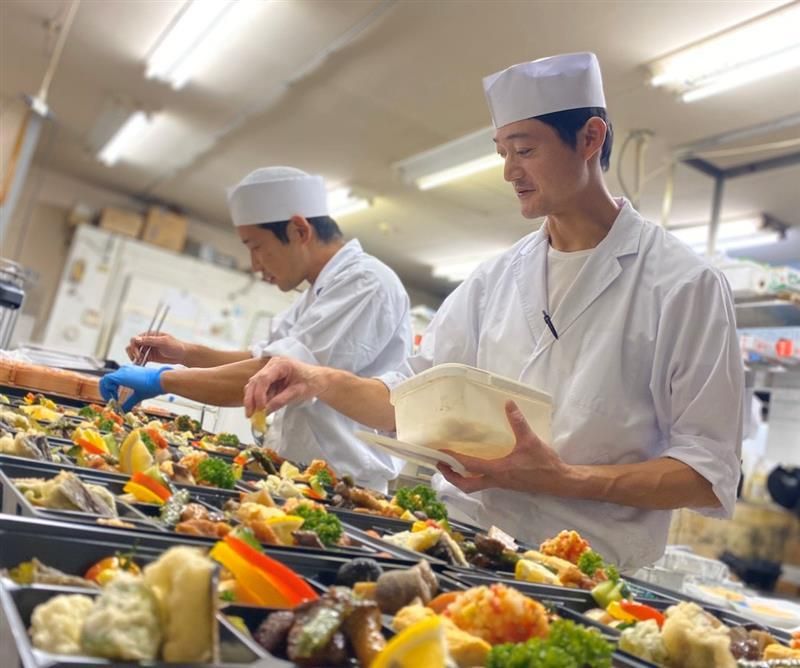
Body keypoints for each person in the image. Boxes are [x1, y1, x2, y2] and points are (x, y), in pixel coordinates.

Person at [241, 54, 744, 568]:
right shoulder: (493, 279)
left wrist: (565, 479)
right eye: (503, 152)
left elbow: (705, 472)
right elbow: (410, 400)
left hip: (580, 572)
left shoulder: (684, 285)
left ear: (590, 138)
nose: (509, 171)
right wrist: (317, 379)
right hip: (459, 544)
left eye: (524, 150)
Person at [100, 166, 411, 491]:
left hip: (343, 485)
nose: (255, 264)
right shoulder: (318, 291)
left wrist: (162, 380)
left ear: (299, 231)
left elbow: (273, 377)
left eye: (256, 246)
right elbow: (260, 359)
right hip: (299, 473)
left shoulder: (365, 283)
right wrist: (185, 353)